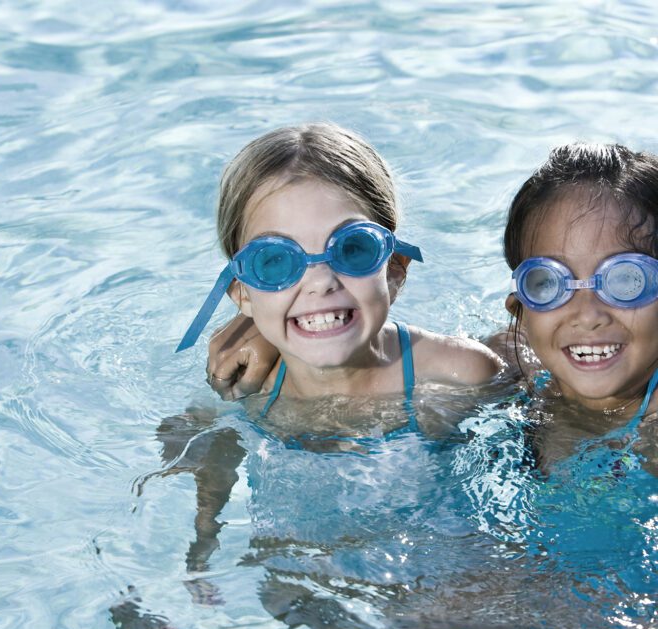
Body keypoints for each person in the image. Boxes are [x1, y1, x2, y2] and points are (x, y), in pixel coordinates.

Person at [208, 141, 658, 446]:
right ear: (519, 306)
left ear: (395, 270)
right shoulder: (518, 371)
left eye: (627, 280)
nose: (588, 314)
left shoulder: (492, 373)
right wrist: (276, 324)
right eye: (549, 284)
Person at [177, 122, 502, 432]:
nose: (320, 281)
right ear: (242, 293)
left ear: (394, 269)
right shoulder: (246, 392)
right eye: (275, 261)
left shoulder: (459, 374)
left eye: (353, 248)